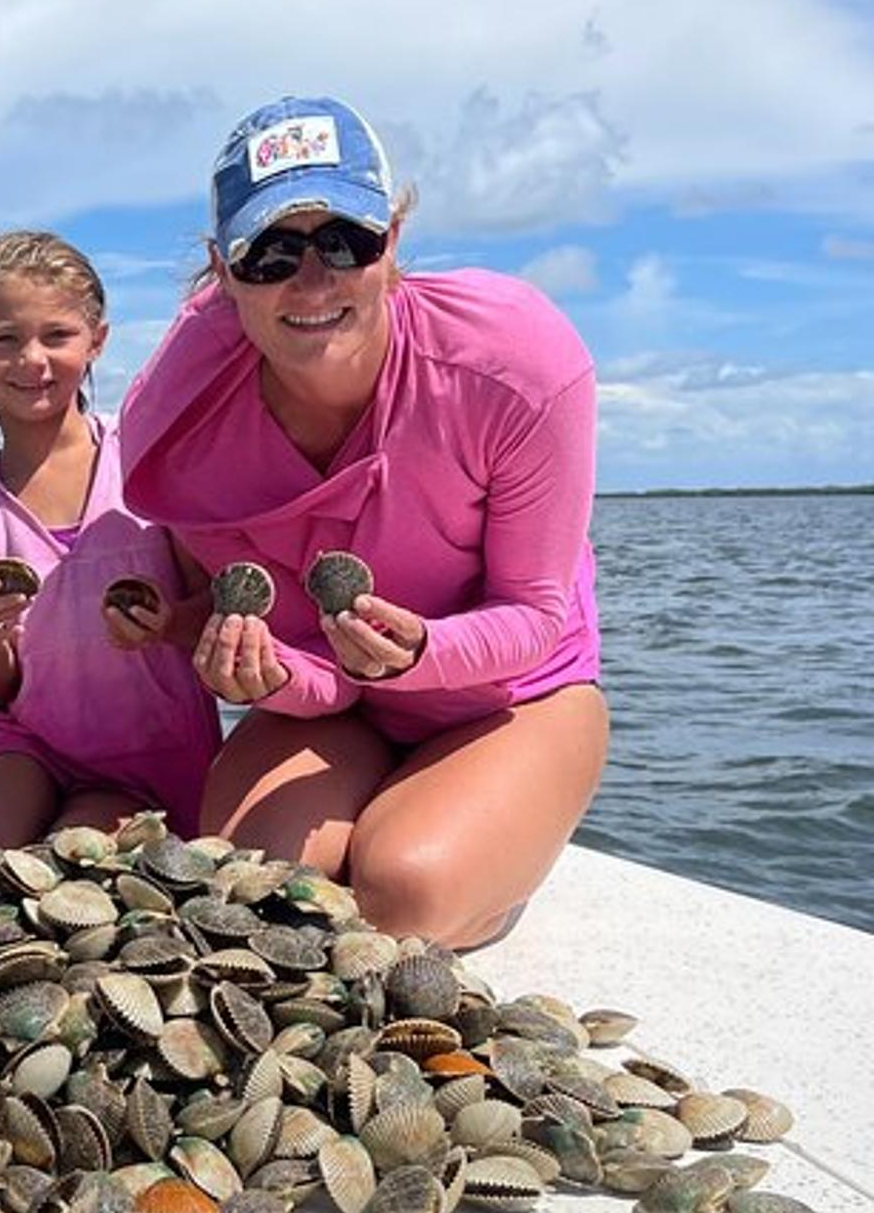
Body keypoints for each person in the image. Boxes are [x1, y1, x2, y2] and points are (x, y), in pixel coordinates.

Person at [116, 95, 609, 948]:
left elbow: (535, 614)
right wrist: (268, 677)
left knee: (403, 891)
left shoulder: (514, 362)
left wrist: (421, 653)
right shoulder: (183, 431)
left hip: (517, 693)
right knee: (251, 898)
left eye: (345, 241)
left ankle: (483, 869)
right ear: (223, 269)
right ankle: (408, 806)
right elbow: (315, 668)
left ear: (394, 239)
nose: (312, 282)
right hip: (338, 710)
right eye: (271, 253)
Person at [0, 231, 221, 848]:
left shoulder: (147, 461)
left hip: (150, 753)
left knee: (74, 856)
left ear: (97, 341)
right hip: (25, 742)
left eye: (57, 335)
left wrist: (169, 624)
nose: (32, 359)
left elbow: (212, 615)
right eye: (5, 339)